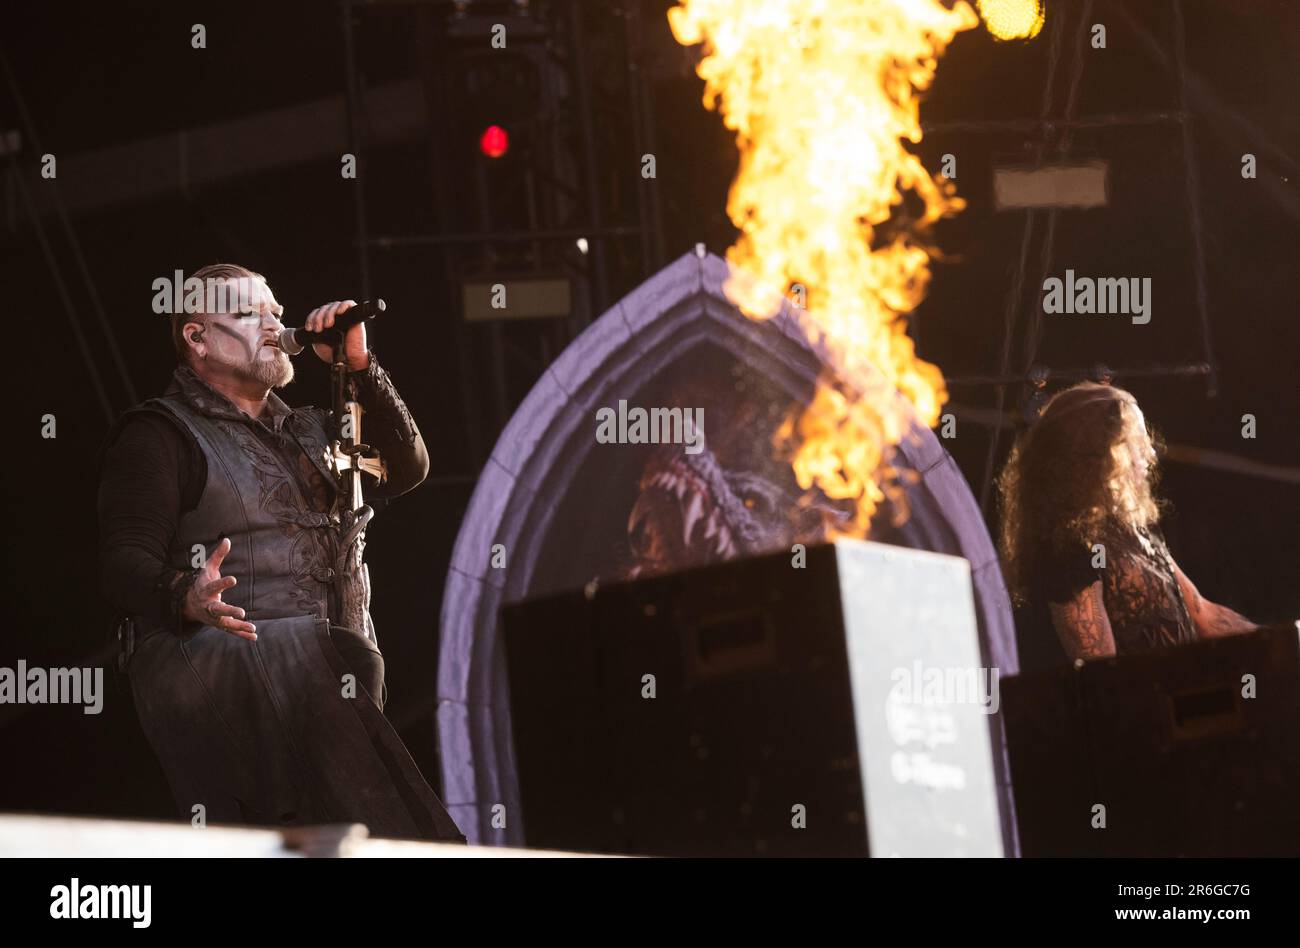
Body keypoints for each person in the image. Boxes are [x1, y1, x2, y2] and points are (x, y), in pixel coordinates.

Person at [97, 263, 464, 841]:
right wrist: (184, 595)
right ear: (198, 339)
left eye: (275, 311)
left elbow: (407, 468)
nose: (273, 325)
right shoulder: (160, 434)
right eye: (247, 313)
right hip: (208, 659)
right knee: (348, 661)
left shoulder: (312, 432)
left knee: (349, 662)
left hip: (323, 667)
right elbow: (121, 559)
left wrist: (359, 368)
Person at [996, 381, 1257, 664]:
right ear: (1104, 453)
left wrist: (1282, 638)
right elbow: (1103, 674)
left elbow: (1202, 613)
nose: (1150, 455)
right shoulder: (1070, 547)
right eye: (1136, 443)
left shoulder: (1136, 531)